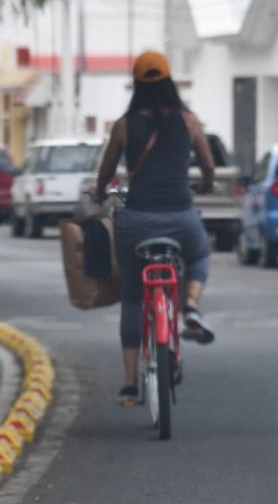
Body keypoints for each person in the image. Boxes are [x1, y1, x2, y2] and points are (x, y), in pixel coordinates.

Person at [92, 51, 215, 406]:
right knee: (201, 253)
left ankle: (130, 382)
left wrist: (100, 193)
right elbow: (207, 166)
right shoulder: (189, 121)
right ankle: (190, 306)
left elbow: (106, 172)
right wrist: (205, 185)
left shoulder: (125, 125)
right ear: (169, 81)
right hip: (181, 218)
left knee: (132, 298)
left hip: (136, 222)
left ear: (137, 85)